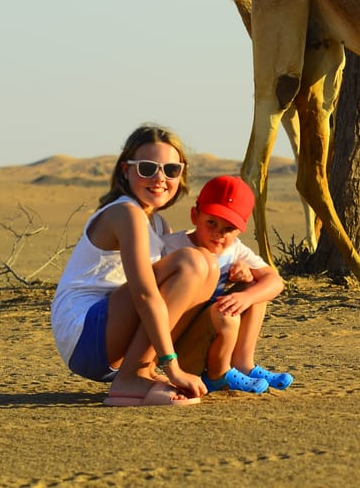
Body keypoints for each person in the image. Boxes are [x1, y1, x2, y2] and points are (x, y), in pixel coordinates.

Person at [50, 124, 218, 406]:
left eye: (171, 170)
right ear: (126, 171)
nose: (160, 178)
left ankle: (143, 370)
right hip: (84, 335)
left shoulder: (158, 224)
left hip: (110, 336)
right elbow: (144, 294)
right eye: (147, 168)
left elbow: (177, 293)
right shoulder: (125, 213)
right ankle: (132, 376)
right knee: (190, 262)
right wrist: (172, 366)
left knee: (207, 264)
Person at [162, 175, 294, 394]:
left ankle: (243, 364)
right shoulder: (172, 247)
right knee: (226, 314)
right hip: (177, 347)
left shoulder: (234, 249)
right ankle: (218, 374)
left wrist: (247, 295)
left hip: (209, 334)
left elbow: (275, 281)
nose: (218, 234)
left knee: (254, 286)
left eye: (229, 228)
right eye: (211, 223)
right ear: (195, 215)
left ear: (240, 230)